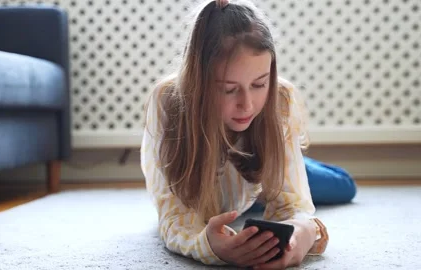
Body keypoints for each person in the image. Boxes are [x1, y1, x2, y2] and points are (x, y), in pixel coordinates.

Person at [140, 0, 355, 268]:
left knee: (344, 187)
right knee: (241, 208)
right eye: (229, 89)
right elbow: (175, 218)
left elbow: (295, 208)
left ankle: (293, 168)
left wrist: (304, 232)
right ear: (200, 81)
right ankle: (258, 191)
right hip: (226, 188)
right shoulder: (168, 102)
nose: (248, 105)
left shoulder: (279, 100)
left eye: (259, 84)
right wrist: (209, 246)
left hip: (259, 175)